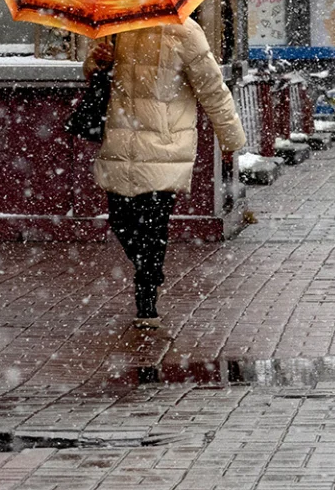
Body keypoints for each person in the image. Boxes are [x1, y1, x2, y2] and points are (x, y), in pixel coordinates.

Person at [85, 22, 248, 330]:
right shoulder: (115, 26)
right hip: (120, 141)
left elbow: (213, 89)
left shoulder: (185, 32)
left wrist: (230, 139)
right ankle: (149, 269)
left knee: (152, 225)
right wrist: (98, 62)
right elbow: (91, 70)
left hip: (166, 145)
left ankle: (146, 300)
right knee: (121, 221)